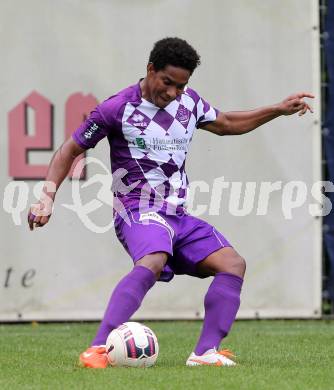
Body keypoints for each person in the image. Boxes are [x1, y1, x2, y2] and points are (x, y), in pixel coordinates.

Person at [28, 37, 314, 368]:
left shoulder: (188, 103)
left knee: (232, 264)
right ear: (151, 70)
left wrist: (277, 109)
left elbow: (226, 124)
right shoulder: (116, 108)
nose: (173, 92)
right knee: (153, 258)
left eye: (181, 85)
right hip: (136, 209)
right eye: (168, 83)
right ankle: (97, 349)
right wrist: (46, 198)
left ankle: (205, 353)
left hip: (178, 216)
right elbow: (70, 150)